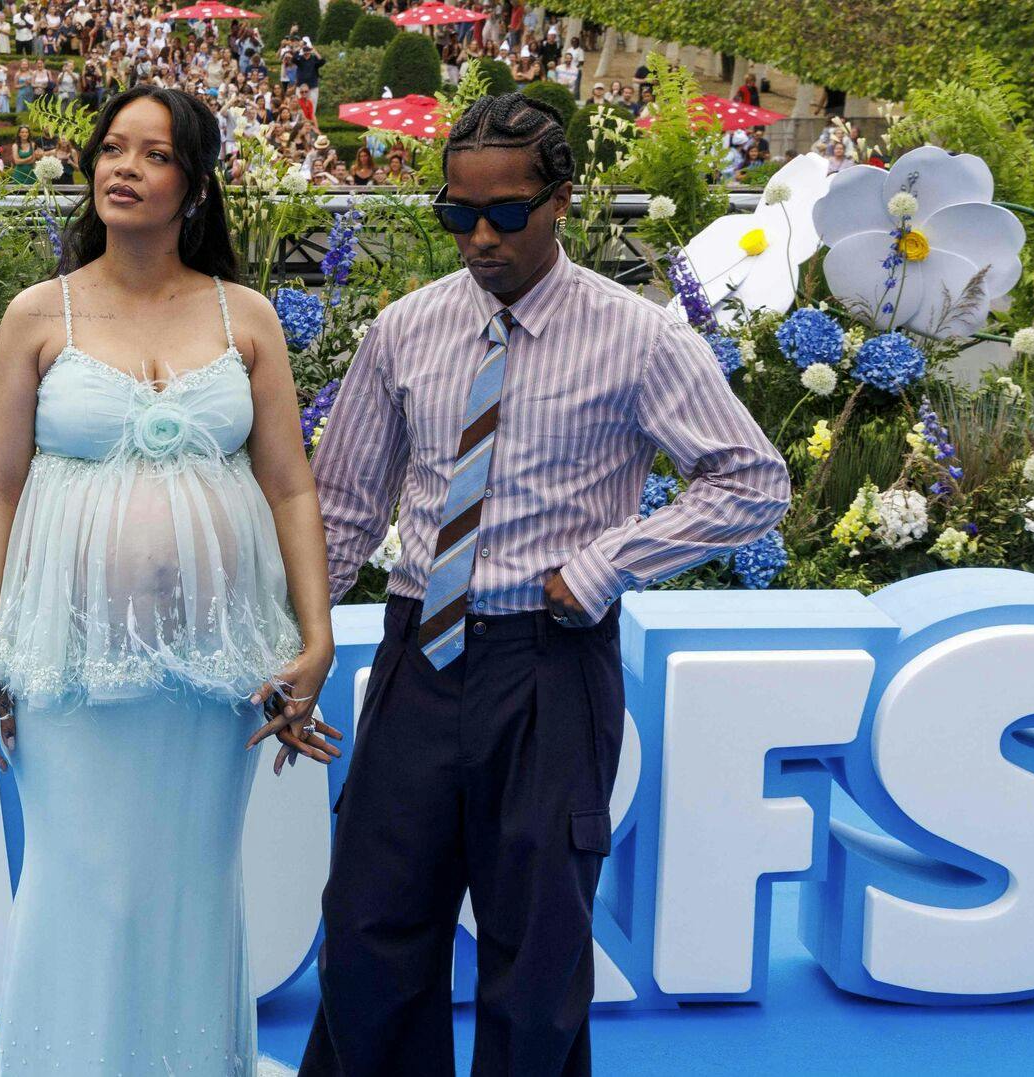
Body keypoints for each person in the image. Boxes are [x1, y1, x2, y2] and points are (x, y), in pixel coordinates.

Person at [299, 93, 790, 1076]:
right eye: (457, 214)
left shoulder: (640, 338)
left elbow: (753, 479)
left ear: (563, 200)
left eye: (508, 214)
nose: (480, 238)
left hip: (548, 667)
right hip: (417, 656)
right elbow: (342, 507)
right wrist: (301, 648)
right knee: (369, 927)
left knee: (537, 949)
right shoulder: (405, 330)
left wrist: (612, 564)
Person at [0, 85, 335, 1076]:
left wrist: (318, 637)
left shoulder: (244, 316)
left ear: (195, 183)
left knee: (189, 884)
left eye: (154, 154)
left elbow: (291, 486)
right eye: (112, 149)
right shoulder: (37, 315)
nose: (124, 168)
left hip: (215, 675)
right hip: (70, 673)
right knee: (82, 884)